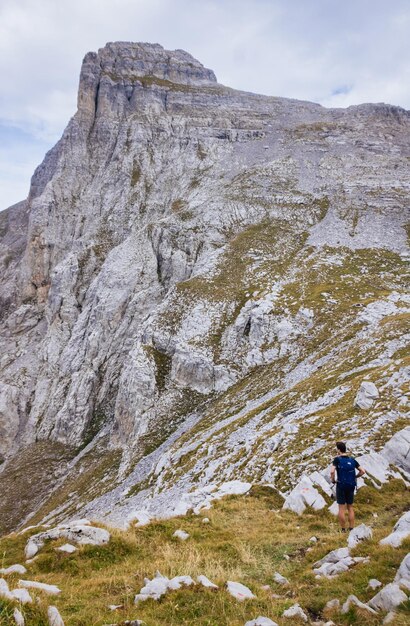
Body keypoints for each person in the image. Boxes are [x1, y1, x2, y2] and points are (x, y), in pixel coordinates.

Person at [330, 441, 365, 532]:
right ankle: (352, 528)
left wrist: (333, 480)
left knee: (341, 508)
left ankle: (343, 529)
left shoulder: (337, 460)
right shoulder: (352, 460)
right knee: (350, 507)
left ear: (338, 450)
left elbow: (332, 471)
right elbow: (362, 471)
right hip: (351, 485)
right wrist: (355, 476)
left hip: (341, 485)